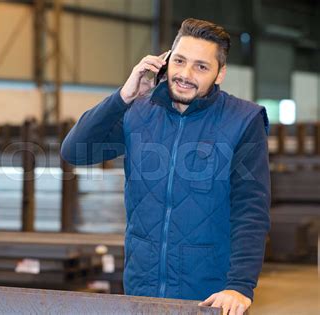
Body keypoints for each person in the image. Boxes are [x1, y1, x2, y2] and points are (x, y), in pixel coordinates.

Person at [61, 18, 271, 315]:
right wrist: (123, 96)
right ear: (165, 61)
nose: (185, 74)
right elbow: (74, 151)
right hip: (141, 289)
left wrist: (239, 286)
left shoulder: (243, 121)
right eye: (180, 61)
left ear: (220, 73)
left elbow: (251, 209)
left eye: (201, 66)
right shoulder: (139, 111)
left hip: (210, 295)